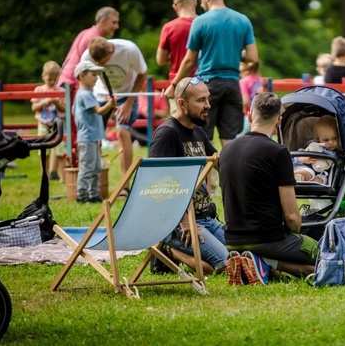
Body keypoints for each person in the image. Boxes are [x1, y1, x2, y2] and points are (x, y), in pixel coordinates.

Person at [219, 92, 318, 279]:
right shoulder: (278, 152)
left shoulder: (226, 149)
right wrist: (294, 236)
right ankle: (266, 261)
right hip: (267, 239)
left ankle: (259, 262)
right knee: (322, 253)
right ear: (279, 121)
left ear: (249, 115)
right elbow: (291, 216)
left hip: (231, 240)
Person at [148, 76, 229, 276]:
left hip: (206, 218)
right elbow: (157, 185)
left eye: (208, 99)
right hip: (177, 224)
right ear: (182, 103)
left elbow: (220, 164)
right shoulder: (167, 134)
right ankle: (169, 251)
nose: (208, 105)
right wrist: (183, 219)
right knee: (226, 265)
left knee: (243, 253)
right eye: (201, 100)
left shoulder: (198, 133)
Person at [163, 0, 258, 148]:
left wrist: (174, 84)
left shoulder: (200, 22)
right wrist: (234, 52)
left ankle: (207, 175)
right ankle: (231, 174)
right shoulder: (243, 20)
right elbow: (253, 58)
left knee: (202, 138)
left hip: (207, 86)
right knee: (229, 138)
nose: (200, 4)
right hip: (232, 85)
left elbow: (189, 60)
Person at [82, 37, 148, 194]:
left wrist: (129, 102)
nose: (99, 66)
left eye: (102, 63)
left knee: (122, 132)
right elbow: (81, 78)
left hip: (127, 94)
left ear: (111, 51)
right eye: (96, 63)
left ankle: (125, 186)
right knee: (94, 137)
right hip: (101, 95)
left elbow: (142, 73)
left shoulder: (129, 49)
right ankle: (95, 185)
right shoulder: (88, 55)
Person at [73, 60, 116, 204]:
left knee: (96, 167)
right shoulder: (85, 95)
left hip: (92, 137)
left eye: (97, 74)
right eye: (93, 74)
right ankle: (82, 195)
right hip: (87, 138)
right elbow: (99, 110)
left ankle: (93, 194)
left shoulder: (82, 94)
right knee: (87, 168)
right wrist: (110, 104)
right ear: (82, 75)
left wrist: (109, 106)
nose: (96, 77)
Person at [156, 0, 198, 115]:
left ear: (175, 7)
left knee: (180, 126)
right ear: (195, 2)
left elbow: (161, 60)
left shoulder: (169, 27)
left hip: (178, 84)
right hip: (202, 81)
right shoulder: (205, 24)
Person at [58, 7, 119, 89]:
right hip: (74, 83)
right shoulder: (95, 40)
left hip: (65, 79)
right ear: (102, 21)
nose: (117, 26)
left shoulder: (85, 32)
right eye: (113, 22)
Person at [31, 61, 67, 182]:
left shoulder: (61, 91)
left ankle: (63, 177)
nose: (52, 82)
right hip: (43, 123)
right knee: (43, 151)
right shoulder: (39, 90)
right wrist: (44, 101)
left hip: (58, 125)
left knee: (60, 151)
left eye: (55, 80)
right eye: (49, 79)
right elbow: (34, 108)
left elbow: (65, 109)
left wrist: (56, 102)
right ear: (43, 76)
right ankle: (44, 176)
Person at [293, 115, 338, 184]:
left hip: (322, 173)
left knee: (321, 180)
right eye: (326, 140)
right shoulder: (313, 146)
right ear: (318, 138)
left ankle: (308, 187)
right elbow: (298, 155)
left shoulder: (337, 152)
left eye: (335, 138)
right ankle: (296, 176)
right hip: (306, 168)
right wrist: (302, 159)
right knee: (309, 172)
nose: (331, 143)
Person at [238, 60, 264, 136]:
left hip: (248, 117)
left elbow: (245, 102)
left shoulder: (244, 81)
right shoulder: (260, 80)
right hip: (261, 116)